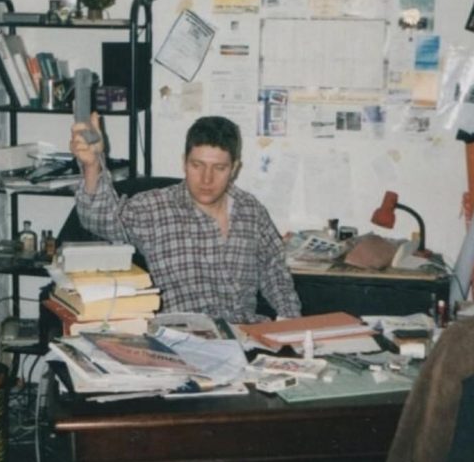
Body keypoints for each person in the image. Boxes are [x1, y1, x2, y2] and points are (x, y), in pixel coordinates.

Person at [69, 113, 301, 323]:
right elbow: (98, 219)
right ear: (184, 162)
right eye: (197, 165)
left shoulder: (251, 211)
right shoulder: (154, 207)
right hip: (181, 338)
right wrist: (92, 165)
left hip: (245, 335)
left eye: (219, 168)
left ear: (234, 169)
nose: (206, 179)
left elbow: (276, 274)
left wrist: (293, 328)